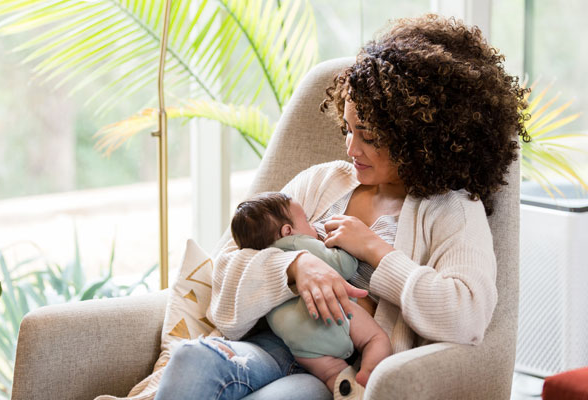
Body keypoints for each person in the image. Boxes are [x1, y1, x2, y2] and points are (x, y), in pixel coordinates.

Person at [154, 13, 529, 400]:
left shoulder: (451, 210)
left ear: (418, 137)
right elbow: (226, 268)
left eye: (368, 136)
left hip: (335, 374)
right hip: (267, 344)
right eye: (349, 129)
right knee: (191, 359)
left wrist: (375, 251)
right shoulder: (321, 181)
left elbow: (466, 315)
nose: (351, 149)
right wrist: (296, 266)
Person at [230, 191, 393, 392]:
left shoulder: (260, 259)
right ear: (288, 230)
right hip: (333, 317)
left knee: (332, 374)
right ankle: (368, 377)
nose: (313, 226)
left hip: (298, 342)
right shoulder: (298, 243)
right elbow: (344, 266)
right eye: (307, 220)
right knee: (376, 339)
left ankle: (347, 390)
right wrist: (346, 245)